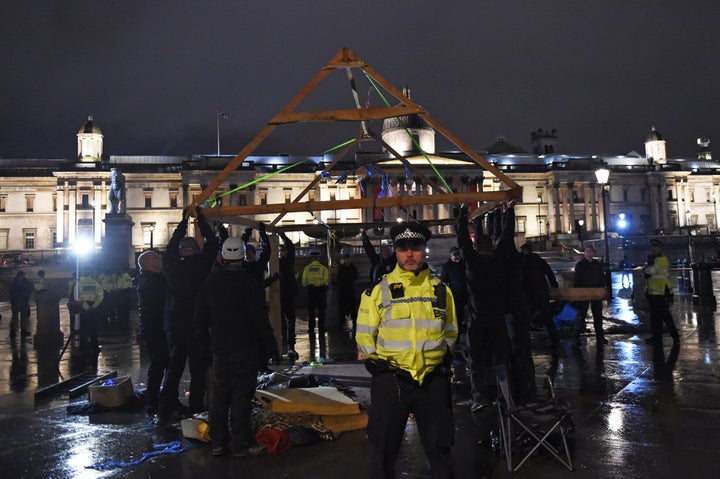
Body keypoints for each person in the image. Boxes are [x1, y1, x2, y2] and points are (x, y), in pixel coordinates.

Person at [356, 221, 458, 479]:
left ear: (425, 249)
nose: (409, 254)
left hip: (432, 379)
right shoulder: (378, 291)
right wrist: (379, 365)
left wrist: (437, 358)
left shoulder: (441, 290)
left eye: (415, 247)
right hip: (392, 380)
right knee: (383, 449)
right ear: (396, 251)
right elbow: (365, 336)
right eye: (403, 248)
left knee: (440, 449)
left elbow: (451, 331)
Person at [194, 236, 279, 458]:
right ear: (242, 255)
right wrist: (271, 347)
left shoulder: (210, 282)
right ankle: (241, 443)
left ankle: (218, 443)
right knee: (241, 396)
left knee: (220, 396)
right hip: (245, 347)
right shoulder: (249, 282)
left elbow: (200, 318)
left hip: (221, 347)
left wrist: (204, 346)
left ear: (223, 254)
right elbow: (259, 318)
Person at [158, 208, 219, 423]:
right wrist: (201, 221)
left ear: (181, 251)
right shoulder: (202, 266)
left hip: (175, 324)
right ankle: (195, 409)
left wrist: (182, 224)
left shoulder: (171, 266)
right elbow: (213, 244)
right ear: (196, 250)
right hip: (197, 324)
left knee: (173, 368)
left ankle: (165, 407)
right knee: (197, 369)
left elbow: (169, 249)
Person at [136, 250, 169, 417]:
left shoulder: (150, 279)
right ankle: (153, 400)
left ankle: (158, 398)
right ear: (149, 263)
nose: (160, 257)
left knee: (161, 364)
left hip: (156, 328)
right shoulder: (151, 282)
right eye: (156, 257)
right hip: (156, 329)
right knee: (159, 364)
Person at [520, 243, 560, 354]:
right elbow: (550, 274)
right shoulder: (540, 261)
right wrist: (555, 287)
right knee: (548, 319)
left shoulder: (523, 262)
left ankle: (524, 344)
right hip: (542, 293)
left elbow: (520, 278)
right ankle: (555, 341)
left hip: (529, 294)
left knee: (526, 319)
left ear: (523, 251)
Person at [440, 246, 469, 383]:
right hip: (455, 297)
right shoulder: (447, 266)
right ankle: (456, 340)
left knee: (467, 318)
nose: (456, 257)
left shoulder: (463, 264)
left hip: (466, 295)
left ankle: (465, 338)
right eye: (454, 255)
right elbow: (443, 281)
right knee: (456, 317)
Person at [643, 239, 679, 346]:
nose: (653, 249)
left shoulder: (662, 260)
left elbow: (650, 271)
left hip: (662, 293)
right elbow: (647, 274)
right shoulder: (654, 260)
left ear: (660, 248)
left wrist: (646, 269)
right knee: (655, 318)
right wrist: (647, 270)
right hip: (653, 293)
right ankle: (656, 337)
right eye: (651, 247)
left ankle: (675, 337)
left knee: (665, 317)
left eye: (655, 247)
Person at [572, 245, 607, 347]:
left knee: (598, 316)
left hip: (595, 293)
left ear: (593, 253)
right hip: (584, 293)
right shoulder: (580, 265)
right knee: (580, 316)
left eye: (590, 251)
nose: (588, 253)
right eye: (587, 251)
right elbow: (577, 280)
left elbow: (602, 277)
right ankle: (575, 337)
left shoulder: (597, 264)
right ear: (584, 253)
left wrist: (601, 288)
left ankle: (600, 337)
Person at [278, 232, 298, 359]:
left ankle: (290, 346)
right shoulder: (277, 263)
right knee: (283, 323)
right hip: (282, 295)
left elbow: (291, 247)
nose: (281, 252)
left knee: (289, 322)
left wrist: (282, 235)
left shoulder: (288, 261)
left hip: (286, 295)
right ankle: (286, 345)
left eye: (282, 250)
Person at [301, 253, 329, 337]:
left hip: (311, 291)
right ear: (318, 259)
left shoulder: (307, 268)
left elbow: (304, 282)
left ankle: (311, 328)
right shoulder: (323, 268)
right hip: (321, 290)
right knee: (321, 311)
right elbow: (326, 281)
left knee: (311, 311)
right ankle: (321, 327)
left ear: (312, 259)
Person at [335, 253, 359, 336]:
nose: (347, 260)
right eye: (346, 259)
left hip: (348, 290)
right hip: (346, 290)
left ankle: (353, 324)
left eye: (348, 258)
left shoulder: (348, 268)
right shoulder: (348, 268)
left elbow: (353, 277)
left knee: (352, 309)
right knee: (344, 309)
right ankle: (343, 325)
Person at [9, 271, 34, 341]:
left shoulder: (24, 282)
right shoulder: (15, 283)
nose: (21, 277)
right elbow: (11, 291)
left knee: (23, 317)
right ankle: (13, 331)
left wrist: (27, 294)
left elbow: (31, 288)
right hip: (17, 301)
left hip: (23, 301)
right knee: (15, 317)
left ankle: (22, 330)